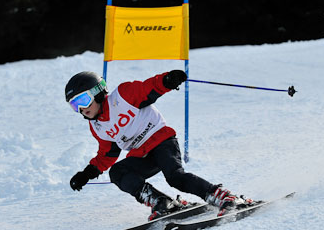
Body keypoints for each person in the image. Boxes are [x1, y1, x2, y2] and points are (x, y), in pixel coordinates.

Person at [65, 70, 252, 220]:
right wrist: (87, 173)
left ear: (98, 92)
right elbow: (107, 154)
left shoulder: (122, 96)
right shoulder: (97, 126)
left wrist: (168, 80)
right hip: (141, 155)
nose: (81, 109)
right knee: (117, 172)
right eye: (74, 106)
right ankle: (161, 202)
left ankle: (223, 196)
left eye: (83, 101)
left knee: (175, 177)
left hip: (161, 141)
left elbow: (149, 88)